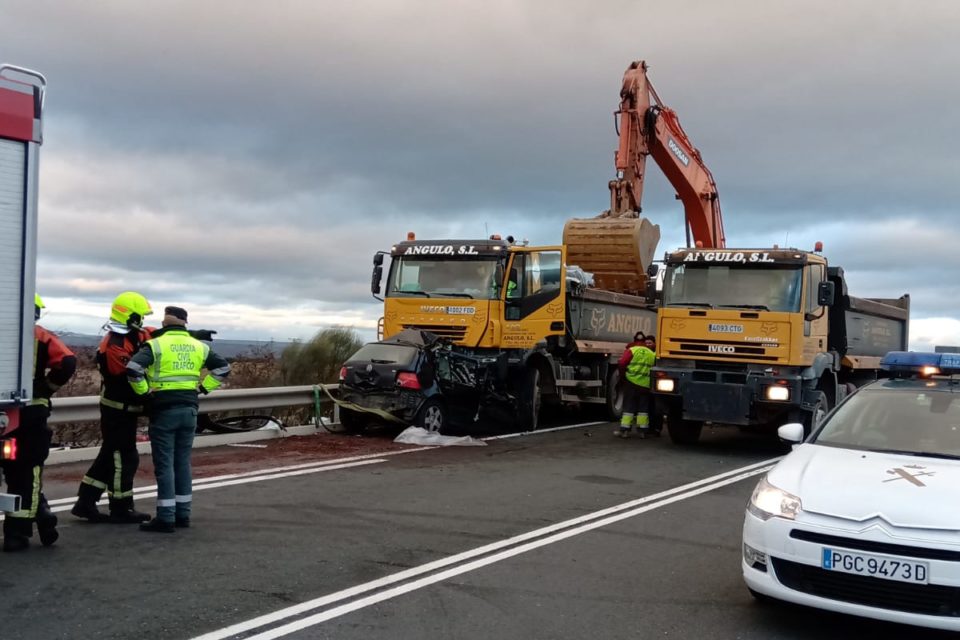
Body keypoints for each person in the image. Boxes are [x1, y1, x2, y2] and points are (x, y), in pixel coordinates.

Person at [126, 306, 230, 532]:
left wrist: (144, 392)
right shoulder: (198, 346)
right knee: (182, 463)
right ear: (185, 323)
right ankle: (183, 514)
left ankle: (166, 517)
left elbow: (133, 368)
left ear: (164, 324)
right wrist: (204, 388)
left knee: (165, 465)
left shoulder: (155, 345)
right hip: (190, 409)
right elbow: (223, 367)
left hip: (164, 410)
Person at [72, 292, 155, 524]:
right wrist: (150, 401)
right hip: (117, 410)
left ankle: (85, 502)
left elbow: (158, 335)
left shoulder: (137, 334)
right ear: (130, 316)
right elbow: (130, 379)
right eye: (140, 315)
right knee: (124, 458)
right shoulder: (114, 346)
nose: (143, 319)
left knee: (109, 456)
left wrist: (189, 335)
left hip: (125, 408)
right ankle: (121, 507)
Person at [2, 295, 77, 551]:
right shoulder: (40, 335)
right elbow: (67, 361)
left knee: (18, 471)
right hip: (31, 412)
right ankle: (21, 531)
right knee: (28, 471)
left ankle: (36, 521)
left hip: (3, 412)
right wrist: (46, 388)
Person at [615, 331, 656, 439]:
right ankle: (642, 432)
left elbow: (622, 363)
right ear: (644, 342)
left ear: (634, 340)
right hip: (645, 385)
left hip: (631, 382)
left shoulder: (632, 350)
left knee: (628, 407)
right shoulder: (652, 354)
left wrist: (623, 376)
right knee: (643, 409)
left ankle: (624, 431)